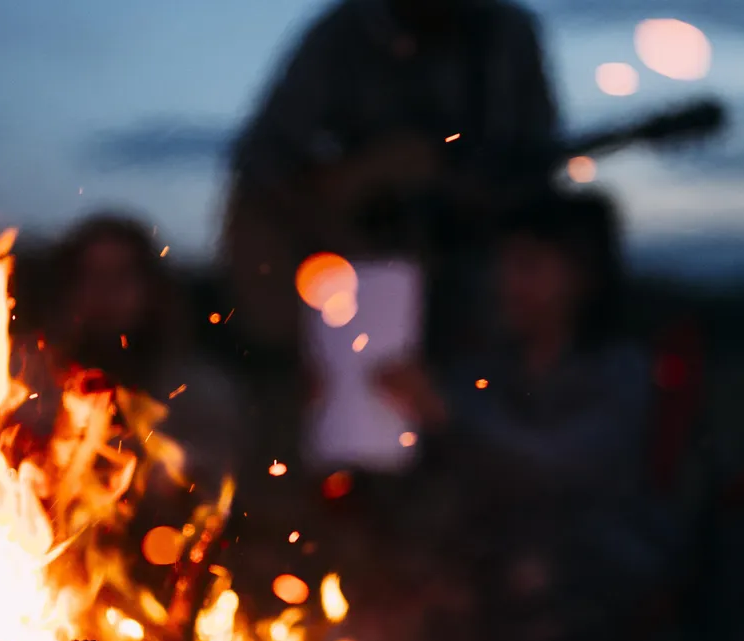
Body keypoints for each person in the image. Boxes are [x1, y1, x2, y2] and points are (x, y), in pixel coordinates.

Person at [375, 189, 683, 641]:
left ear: (582, 275)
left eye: (530, 265)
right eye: (505, 264)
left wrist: (448, 416)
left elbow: (557, 466)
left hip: (592, 567)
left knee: (528, 597)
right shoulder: (489, 371)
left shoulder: (619, 373)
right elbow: (434, 462)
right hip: (493, 564)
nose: (507, 282)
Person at [220, 0, 560, 462]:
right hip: (357, 277)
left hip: (475, 274)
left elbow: (538, 168)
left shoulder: (506, 35)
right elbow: (261, 162)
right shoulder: (342, 34)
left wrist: (461, 187)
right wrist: (364, 178)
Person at [43, 213, 241, 496]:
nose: (106, 292)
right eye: (92, 275)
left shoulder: (198, 393)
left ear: (151, 289)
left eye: (122, 275)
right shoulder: (24, 392)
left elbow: (220, 487)